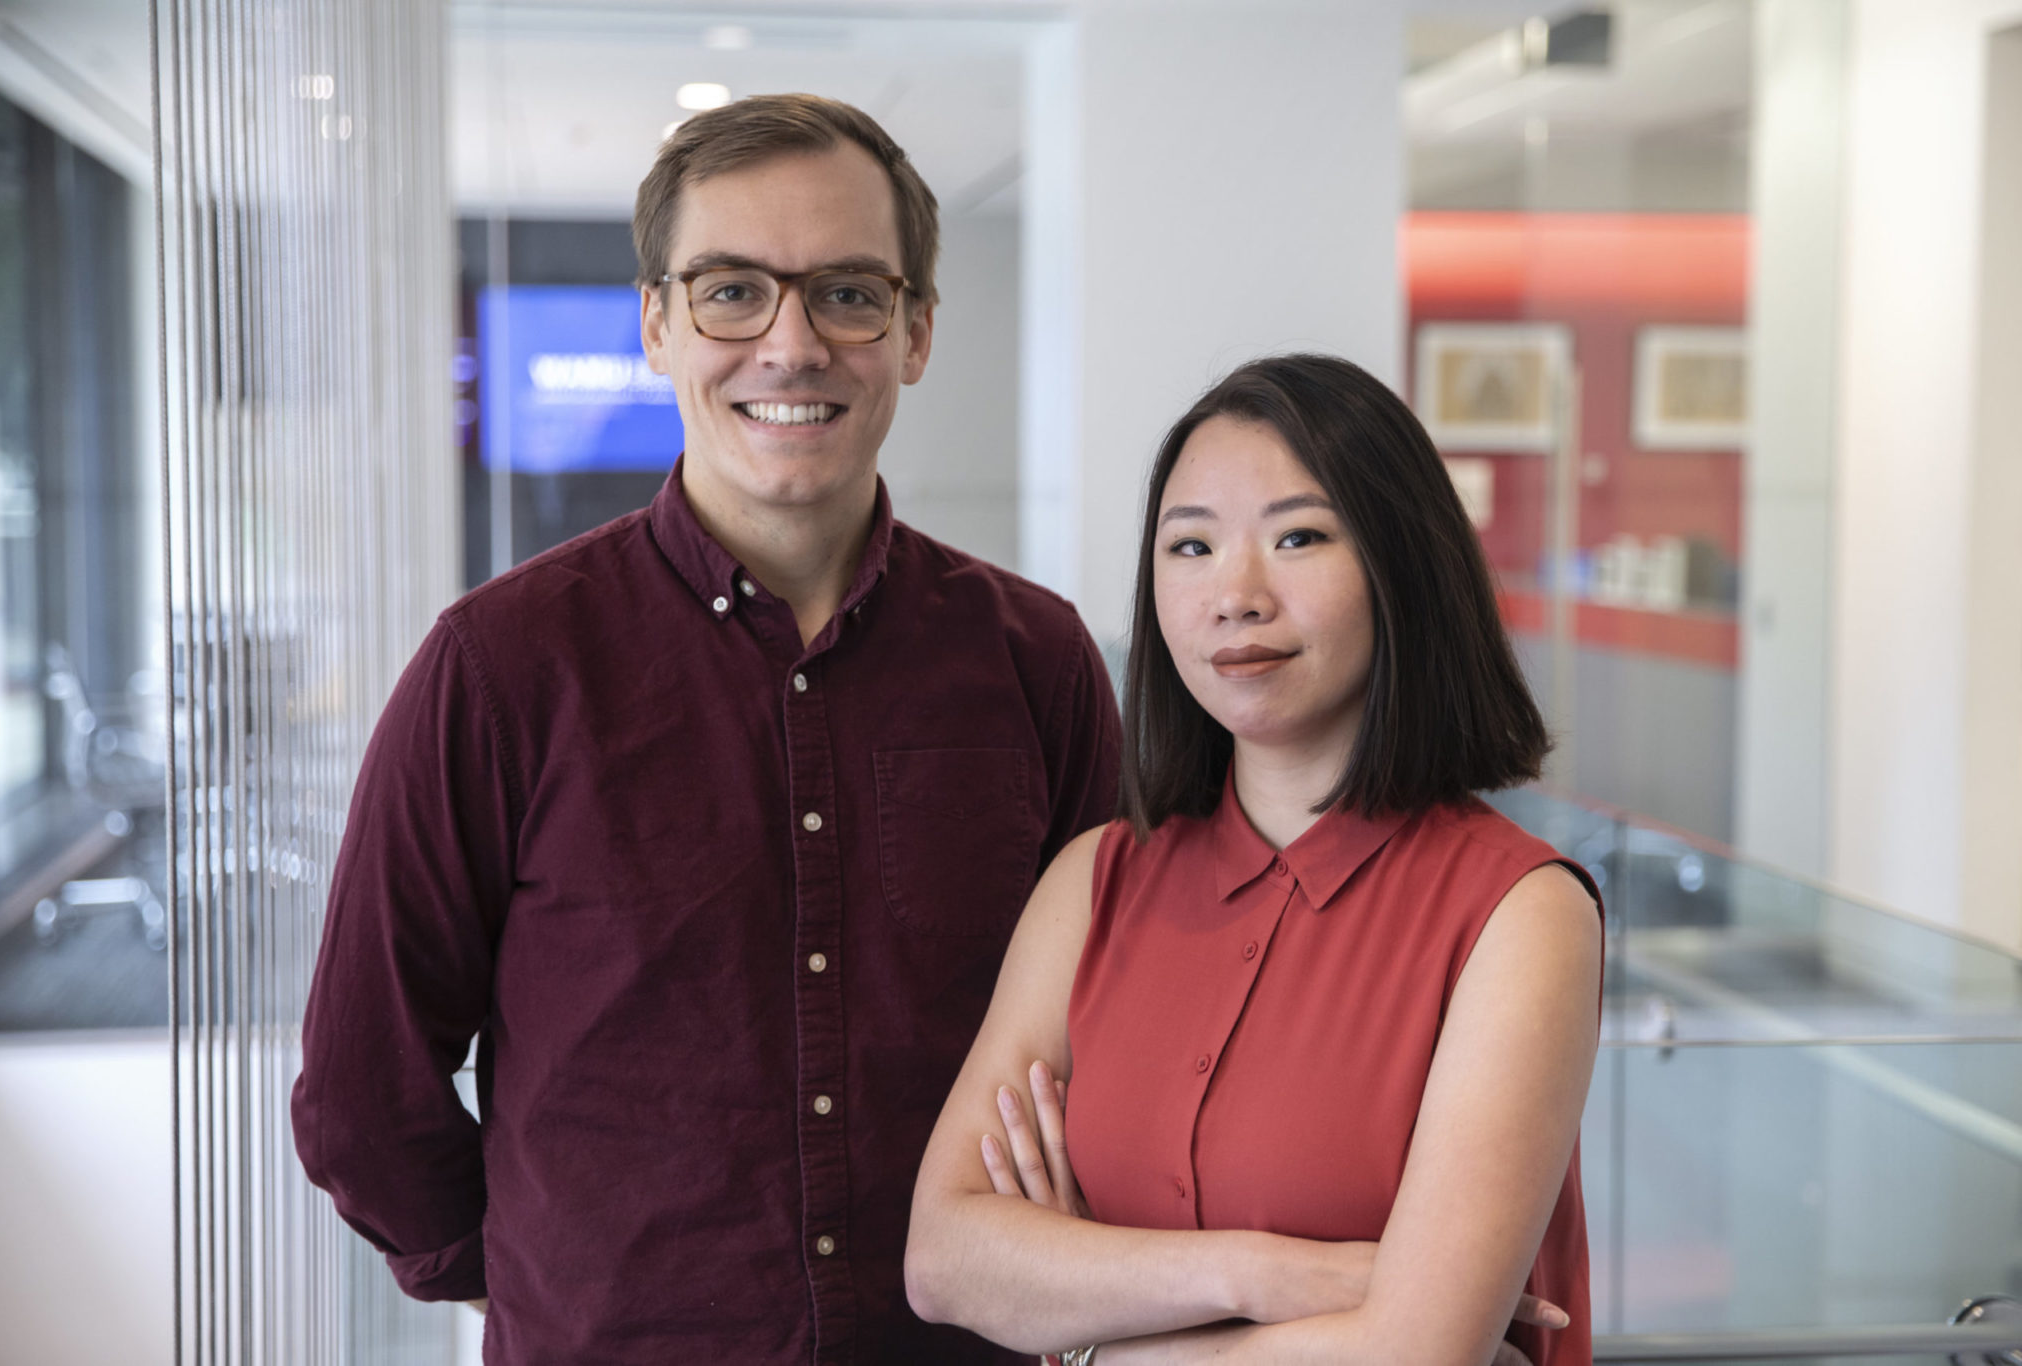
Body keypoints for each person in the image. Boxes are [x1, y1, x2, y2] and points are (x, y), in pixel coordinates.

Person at [290, 94, 1120, 1364]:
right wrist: (526, 1276)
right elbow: (362, 1090)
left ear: (915, 333)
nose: (790, 345)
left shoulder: (1035, 660)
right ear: (657, 325)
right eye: (732, 291)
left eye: (847, 291)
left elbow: (1114, 1038)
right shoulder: (500, 668)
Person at [903, 354, 1603, 1366]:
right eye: (1189, 545)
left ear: (1401, 566)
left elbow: (1415, 1353)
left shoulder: (1516, 912)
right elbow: (944, 1257)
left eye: (1298, 537)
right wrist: (1267, 1276)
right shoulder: (1093, 882)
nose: (1233, 594)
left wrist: (1088, 1334)